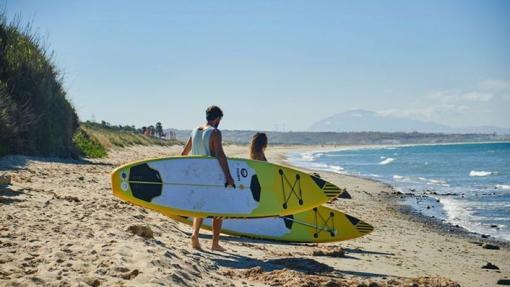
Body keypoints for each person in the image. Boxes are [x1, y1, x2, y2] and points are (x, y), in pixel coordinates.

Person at [181, 106, 235, 251]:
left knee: (200, 205)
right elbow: (220, 154)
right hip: (212, 177)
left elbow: (184, 153)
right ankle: (215, 243)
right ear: (217, 118)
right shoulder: (215, 132)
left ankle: (194, 235)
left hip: (197, 176)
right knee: (219, 208)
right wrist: (228, 176)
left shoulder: (195, 131)